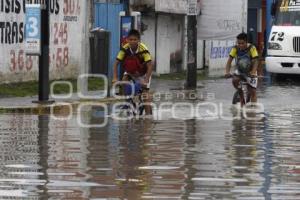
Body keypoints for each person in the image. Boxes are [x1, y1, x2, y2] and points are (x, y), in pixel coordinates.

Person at [112, 29, 153, 115]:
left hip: (143, 72)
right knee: (124, 80)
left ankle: (149, 116)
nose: (132, 42)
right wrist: (115, 78)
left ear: (138, 40)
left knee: (145, 94)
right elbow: (116, 64)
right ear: (127, 40)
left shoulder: (143, 49)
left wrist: (146, 80)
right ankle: (127, 101)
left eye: (135, 40)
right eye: (130, 39)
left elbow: (150, 66)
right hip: (130, 71)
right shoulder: (125, 49)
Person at [225, 32, 259, 106]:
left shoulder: (252, 48)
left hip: (250, 71)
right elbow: (229, 61)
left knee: (253, 91)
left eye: (242, 43)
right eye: (238, 43)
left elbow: (256, 61)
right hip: (240, 71)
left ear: (246, 42)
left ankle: (253, 109)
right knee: (235, 80)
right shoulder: (235, 48)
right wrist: (227, 72)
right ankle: (241, 97)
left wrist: (253, 72)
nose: (240, 45)